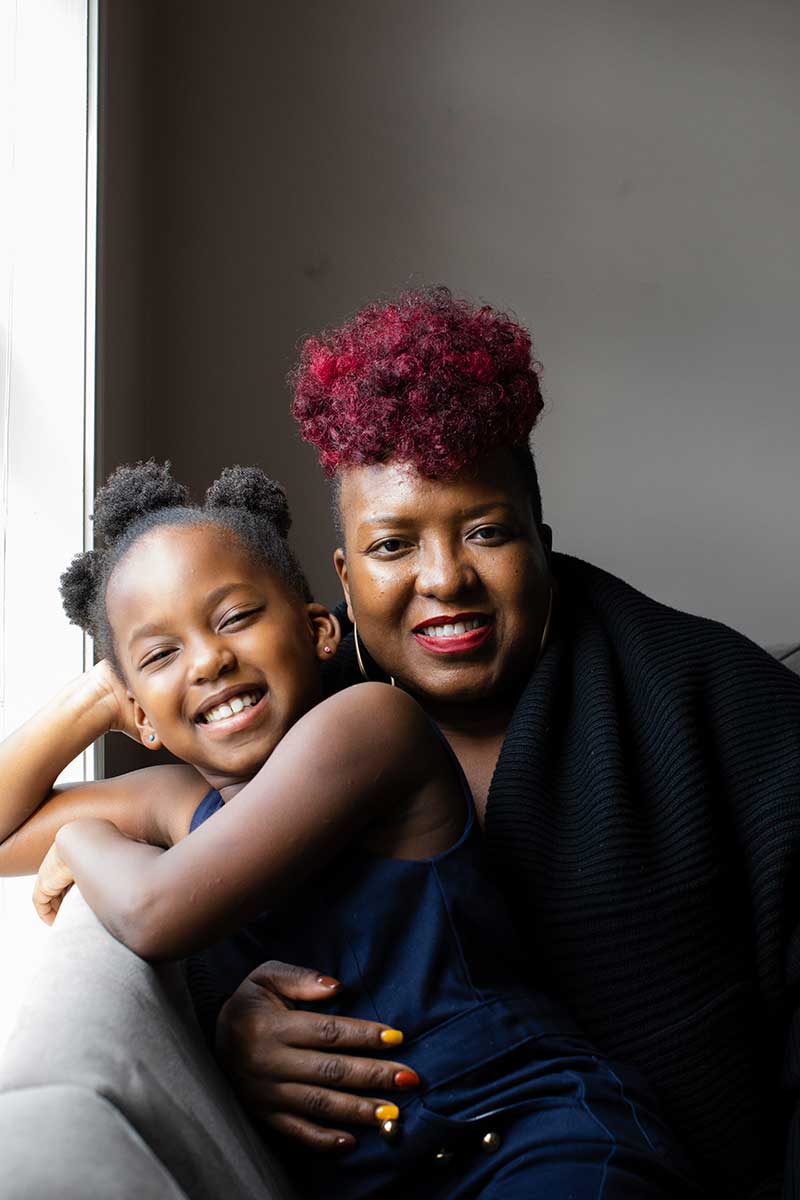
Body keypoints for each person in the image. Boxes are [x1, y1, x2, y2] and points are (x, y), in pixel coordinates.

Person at [212, 287, 800, 1198]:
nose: (445, 579)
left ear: (542, 540)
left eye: (486, 531)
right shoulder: (288, 725)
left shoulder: (716, 698)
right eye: (392, 546)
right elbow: (203, 897)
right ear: (341, 578)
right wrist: (232, 1021)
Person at [0, 460, 698, 1199]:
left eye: (236, 617)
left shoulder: (371, 726)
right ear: (138, 714)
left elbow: (153, 911)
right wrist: (97, 696)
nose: (210, 659)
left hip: (535, 1139)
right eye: (163, 654)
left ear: (318, 629)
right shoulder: (174, 802)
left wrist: (82, 841)